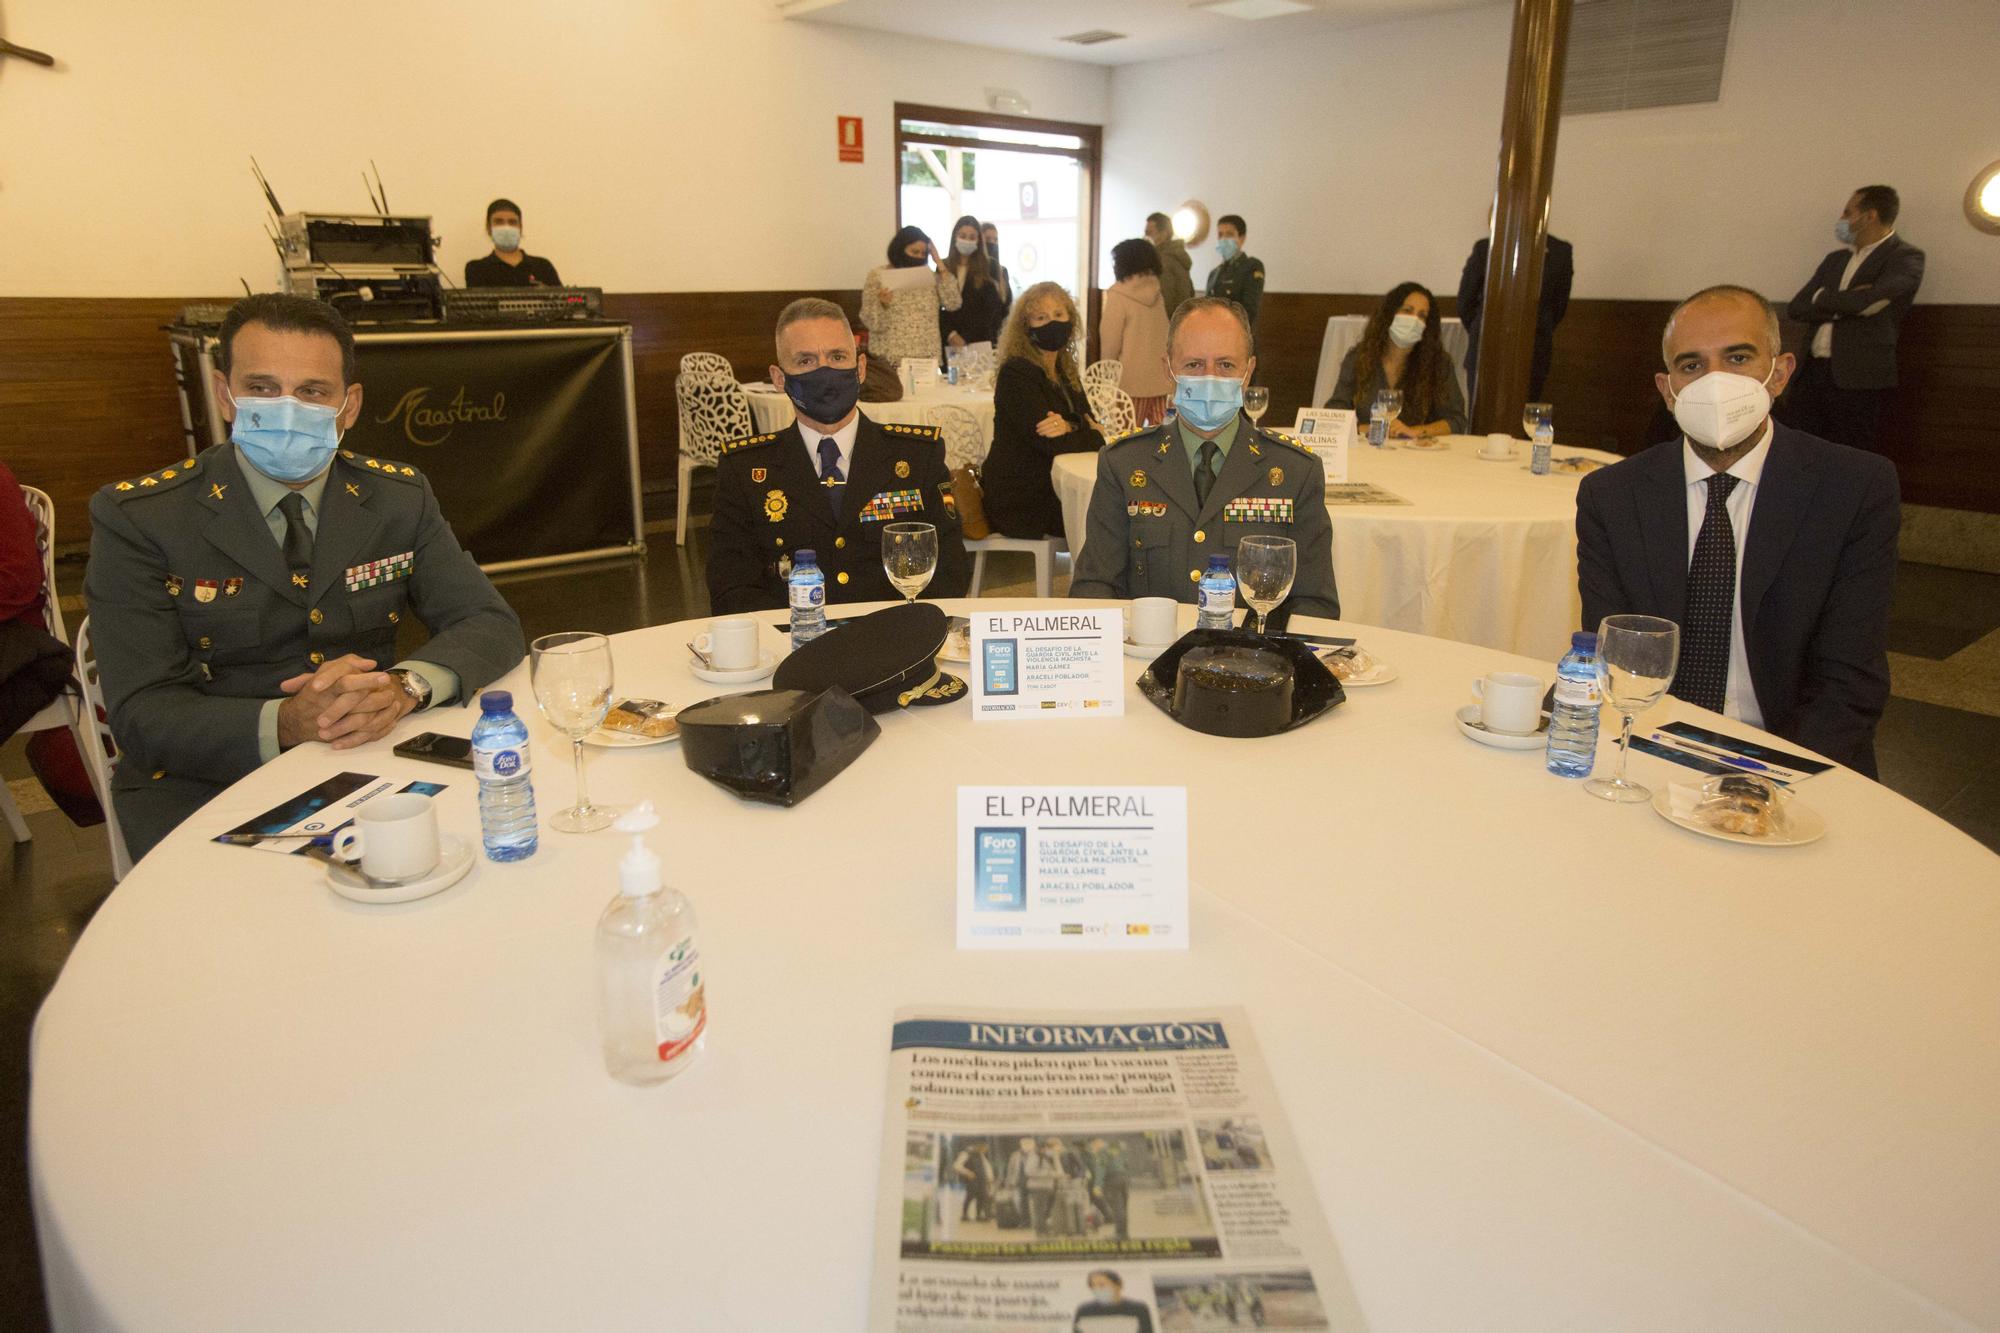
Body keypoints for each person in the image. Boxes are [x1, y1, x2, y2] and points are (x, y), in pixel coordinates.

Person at [85, 293, 525, 861]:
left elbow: (488, 621)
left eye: (312, 392)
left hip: (369, 761)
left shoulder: (396, 497)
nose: (287, 409)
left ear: (348, 405)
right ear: (225, 394)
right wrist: (286, 722)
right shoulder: (142, 518)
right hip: (207, 782)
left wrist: (404, 688)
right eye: (263, 389)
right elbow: (142, 714)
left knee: (480, 862)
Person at [1576, 285, 1899, 776]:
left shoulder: (1853, 487)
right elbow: (1619, 663)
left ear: (1780, 373)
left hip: (1797, 756)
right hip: (1653, 748)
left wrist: (1764, 782)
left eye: (1738, 357)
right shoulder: (1613, 496)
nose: (1716, 381)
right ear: (1668, 391)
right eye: (1692, 365)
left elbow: (1849, 682)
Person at [1071, 298, 1338, 620]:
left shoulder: (1295, 472)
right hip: (1149, 657)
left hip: (1252, 661)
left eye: (1226, 365)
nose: (1209, 378)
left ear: (1248, 371)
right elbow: (1095, 588)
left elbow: (1314, 605)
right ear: (1168, 369)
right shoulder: (1125, 465)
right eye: (1194, 365)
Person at [706, 298, 969, 613]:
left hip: (893, 645)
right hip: (792, 649)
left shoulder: (916, 457)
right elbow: (731, 588)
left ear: (859, 368)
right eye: (806, 361)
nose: (824, 370)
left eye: (837, 356)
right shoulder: (746, 470)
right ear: (779, 379)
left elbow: (950, 572)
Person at [1782, 185, 1926, 451]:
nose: (1842, 219)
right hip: (1812, 372)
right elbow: (1798, 307)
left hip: (1857, 375)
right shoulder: (1835, 260)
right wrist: (1843, 302)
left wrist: (1823, 298)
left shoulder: (1904, 257)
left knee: (1850, 451)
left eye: (1848, 212)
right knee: (1800, 446)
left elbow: (1867, 304)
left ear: (1870, 216)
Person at [985, 282, 1107, 540]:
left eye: (1059, 315)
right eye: (1041, 318)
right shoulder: (1016, 373)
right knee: (1107, 514)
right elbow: (1051, 443)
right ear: (1026, 327)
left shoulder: (1064, 370)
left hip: (1052, 486)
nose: (1052, 323)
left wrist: (1071, 426)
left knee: (1115, 506)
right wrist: (1090, 434)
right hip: (1022, 497)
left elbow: (1089, 420)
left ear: (1071, 320)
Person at [1325, 281, 1467, 438]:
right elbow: (1336, 410)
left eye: (1422, 316)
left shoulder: (1439, 363)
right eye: (1407, 311)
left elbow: (1456, 420)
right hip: (1370, 449)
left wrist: (1415, 431)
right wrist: (1364, 428)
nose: (1414, 320)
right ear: (1390, 314)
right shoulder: (1360, 358)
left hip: (1418, 454)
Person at [1456, 223, 1572, 400]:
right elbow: (1466, 303)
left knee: (1525, 418)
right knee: (1480, 418)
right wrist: (1487, 329)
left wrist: (1533, 330)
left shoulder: (1559, 252)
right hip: (1485, 353)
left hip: (1534, 353)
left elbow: (1557, 308)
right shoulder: (1485, 248)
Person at [860, 225, 962, 402]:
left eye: (923, 253)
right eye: (914, 251)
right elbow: (872, 322)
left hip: (926, 362)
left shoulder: (930, 277)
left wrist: (939, 263)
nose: (919, 257)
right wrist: (882, 305)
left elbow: (953, 303)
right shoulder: (878, 275)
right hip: (891, 360)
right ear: (900, 249)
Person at [1099, 239, 1173, 426]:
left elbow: (1110, 344)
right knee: (1162, 440)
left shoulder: (1118, 296)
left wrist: (1106, 382)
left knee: (1126, 441)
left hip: (1129, 385)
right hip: (1161, 382)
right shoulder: (1157, 292)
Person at [940, 215, 1007, 349]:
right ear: (955, 237)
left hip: (980, 341)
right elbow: (940, 306)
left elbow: (992, 309)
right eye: (963, 236)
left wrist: (965, 337)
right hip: (950, 342)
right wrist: (951, 334)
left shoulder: (990, 266)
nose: (967, 240)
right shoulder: (944, 266)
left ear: (978, 241)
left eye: (972, 237)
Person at [462, 199, 562, 288]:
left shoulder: (543, 266)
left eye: (512, 222)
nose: (506, 227)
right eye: (499, 222)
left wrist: (549, 293)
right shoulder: (476, 269)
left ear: (520, 228)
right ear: (488, 228)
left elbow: (571, 301)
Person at [1203, 214, 1264, 331]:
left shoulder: (1252, 266)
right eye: (1220, 235)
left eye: (1229, 234)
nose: (1223, 239)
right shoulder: (1214, 273)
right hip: (1214, 336)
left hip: (1238, 336)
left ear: (1242, 238)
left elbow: (1249, 310)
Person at [1144, 212, 1195, 319]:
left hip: (1167, 325)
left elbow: (1165, 300)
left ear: (1164, 234)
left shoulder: (1163, 261)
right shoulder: (1178, 257)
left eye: (1149, 232)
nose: (1145, 237)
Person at [1074, 1270, 1155, 1333]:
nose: (1097, 1289)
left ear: (1118, 1285)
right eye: (1093, 1286)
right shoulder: (1084, 1310)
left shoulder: (1138, 1309)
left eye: (1102, 1285)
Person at [1086, 1138, 1130, 1242]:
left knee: (1117, 1208)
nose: (1093, 1149)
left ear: (1097, 1144)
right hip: (1123, 1179)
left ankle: (1119, 1235)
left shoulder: (1102, 1152)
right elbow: (1126, 1164)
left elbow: (1101, 1168)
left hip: (1111, 1181)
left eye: (1092, 1147)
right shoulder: (1117, 1150)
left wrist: (1097, 1185)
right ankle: (1124, 1233)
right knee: (1123, 1209)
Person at [951, 1140, 994, 1222]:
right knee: (970, 1197)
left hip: (982, 1179)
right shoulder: (966, 1153)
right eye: (985, 1147)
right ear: (979, 1146)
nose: (986, 1150)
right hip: (972, 1180)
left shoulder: (980, 1154)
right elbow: (956, 1166)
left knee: (982, 1197)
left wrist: (990, 1178)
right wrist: (968, 1172)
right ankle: (964, 1215)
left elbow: (986, 1167)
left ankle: (979, 1215)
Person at [982, 222, 1015, 322]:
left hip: (999, 329)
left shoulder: (1002, 271)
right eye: (987, 239)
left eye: (995, 240)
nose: (992, 243)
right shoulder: (973, 272)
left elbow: (1007, 304)